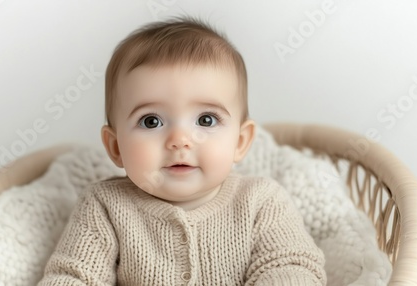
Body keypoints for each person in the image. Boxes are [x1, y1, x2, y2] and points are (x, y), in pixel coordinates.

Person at [39, 17, 326, 286]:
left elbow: (291, 267)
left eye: (206, 120)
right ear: (116, 147)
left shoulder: (261, 202)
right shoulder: (104, 206)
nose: (180, 141)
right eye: (151, 121)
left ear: (240, 141)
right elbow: (74, 275)